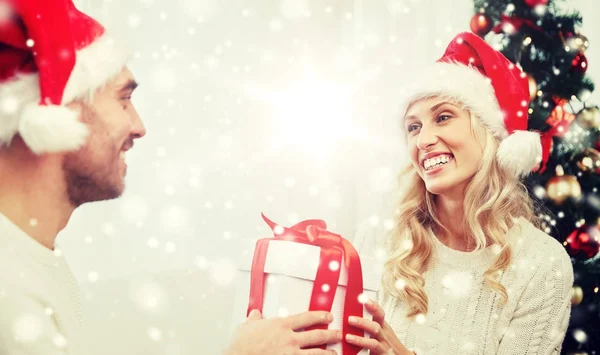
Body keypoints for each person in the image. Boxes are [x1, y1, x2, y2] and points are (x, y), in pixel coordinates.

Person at [0, 1, 340, 354]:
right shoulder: (10, 295)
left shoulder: (36, 260)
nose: (139, 126)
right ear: (57, 110)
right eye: (123, 99)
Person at [345, 32, 574, 354]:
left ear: (490, 132)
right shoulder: (380, 237)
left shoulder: (542, 264)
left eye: (443, 117)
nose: (424, 140)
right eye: (414, 127)